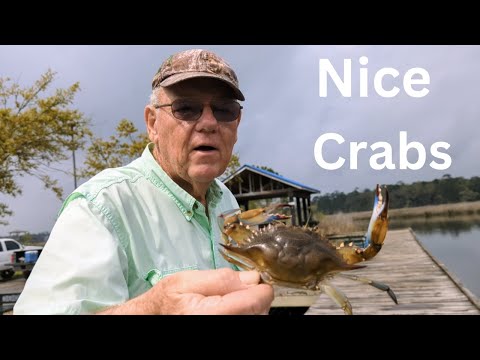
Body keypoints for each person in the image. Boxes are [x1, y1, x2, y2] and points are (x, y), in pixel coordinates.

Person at [14, 49, 274, 315]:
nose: (208, 122)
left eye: (224, 110)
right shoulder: (100, 206)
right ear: (152, 124)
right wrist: (154, 308)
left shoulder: (227, 200)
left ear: (237, 122)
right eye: (186, 108)